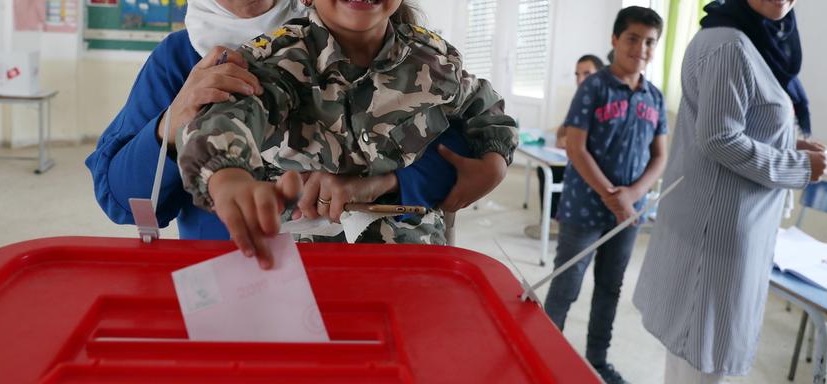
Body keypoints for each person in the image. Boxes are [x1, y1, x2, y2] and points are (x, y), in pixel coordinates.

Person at [85, 0, 481, 243]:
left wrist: (378, 180)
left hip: (364, 273)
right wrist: (171, 123)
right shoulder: (179, 58)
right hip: (234, 278)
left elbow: (463, 151)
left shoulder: (355, 31)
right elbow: (125, 203)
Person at [176, 0, 517, 266]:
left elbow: (484, 107)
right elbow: (226, 114)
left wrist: (495, 160)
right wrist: (227, 172)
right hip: (301, 269)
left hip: (411, 261)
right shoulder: (274, 60)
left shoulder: (435, 60)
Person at [632, 0, 827, 382]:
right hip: (720, 232)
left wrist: (790, 145)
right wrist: (797, 166)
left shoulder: (756, 43)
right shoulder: (730, 45)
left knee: (697, 354)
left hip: (731, 226)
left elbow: (749, 123)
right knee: (703, 356)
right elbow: (720, 138)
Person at [542, 7, 668, 384]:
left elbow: (661, 156)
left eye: (649, 42)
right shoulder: (593, 88)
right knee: (566, 284)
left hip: (627, 214)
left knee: (610, 288)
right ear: (615, 40)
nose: (641, 48)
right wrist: (613, 195)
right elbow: (576, 149)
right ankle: (544, 354)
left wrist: (632, 195)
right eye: (632, 38)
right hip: (585, 208)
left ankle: (597, 359)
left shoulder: (654, 97)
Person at [524, 54, 604, 240]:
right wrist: (563, 138)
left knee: (553, 172)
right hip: (573, 155)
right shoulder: (580, 98)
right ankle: (552, 221)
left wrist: (575, 140)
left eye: (587, 74)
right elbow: (563, 130)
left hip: (593, 162)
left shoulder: (605, 100)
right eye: (577, 74)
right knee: (545, 169)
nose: (580, 79)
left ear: (599, 75)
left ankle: (557, 220)